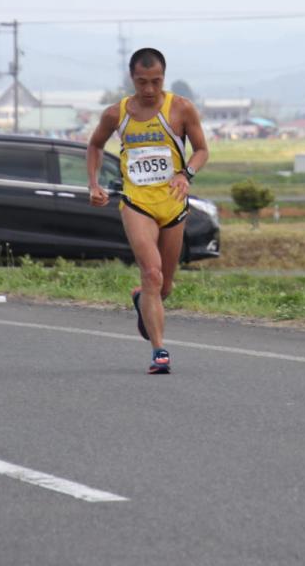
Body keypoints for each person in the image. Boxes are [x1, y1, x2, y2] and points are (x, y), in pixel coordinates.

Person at [86, 48, 209, 374]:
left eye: (156, 81)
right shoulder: (117, 114)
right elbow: (95, 144)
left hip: (173, 204)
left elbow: (202, 150)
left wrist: (186, 174)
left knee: (164, 287)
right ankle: (159, 352)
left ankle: (144, 301)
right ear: (132, 78)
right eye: (143, 82)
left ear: (163, 77)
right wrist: (94, 185)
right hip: (137, 203)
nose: (150, 89)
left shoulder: (181, 109)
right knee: (151, 274)